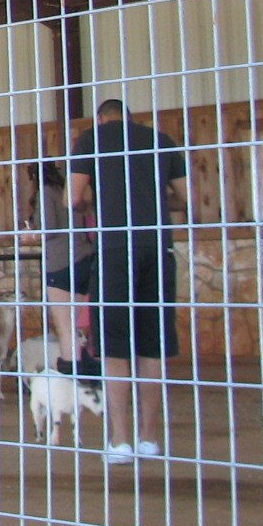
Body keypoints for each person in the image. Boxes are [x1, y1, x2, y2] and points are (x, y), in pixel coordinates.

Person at [68, 99, 188, 465]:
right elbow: (186, 197)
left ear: (101, 118)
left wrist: (96, 204)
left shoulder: (91, 139)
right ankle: (149, 438)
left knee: (114, 346)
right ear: (131, 118)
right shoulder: (161, 140)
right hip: (158, 247)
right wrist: (152, 198)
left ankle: (120, 441)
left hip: (115, 249)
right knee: (153, 345)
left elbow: (72, 197)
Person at [20, 162, 97, 376]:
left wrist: (30, 236)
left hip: (60, 263)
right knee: (76, 324)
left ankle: (73, 373)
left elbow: (49, 229)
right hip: (84, 258)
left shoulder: (45, 193)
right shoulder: (67, 192)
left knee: (65, 328)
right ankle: (84, 368)